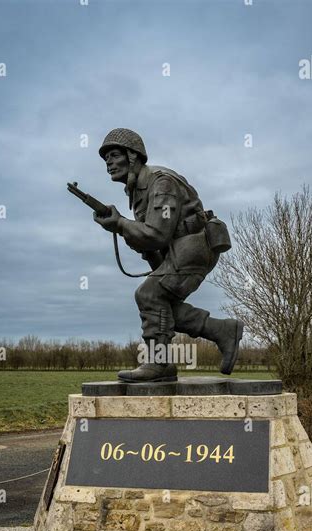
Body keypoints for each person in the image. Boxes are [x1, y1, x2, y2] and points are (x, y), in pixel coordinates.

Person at [94, 128, 243, 383]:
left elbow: (156, 235)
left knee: (149, 294)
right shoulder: (138, 190)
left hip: (195, 246)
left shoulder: (160, 182)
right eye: (106, 158)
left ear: (132, 156)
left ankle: (159, 363)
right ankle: (222, 330)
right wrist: (121, 226)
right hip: (182, 249)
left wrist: (120, 224)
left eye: (114, 155)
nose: (108, 162)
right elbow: (150, 242)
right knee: (162, 305)